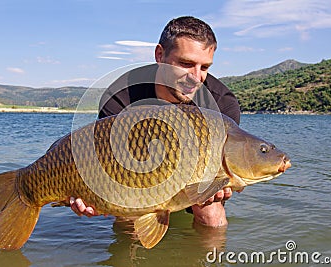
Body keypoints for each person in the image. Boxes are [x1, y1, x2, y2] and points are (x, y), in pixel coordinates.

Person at [70, 16, 241, 227]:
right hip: (137, 178)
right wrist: (90, 193)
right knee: (127, 213)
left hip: (194, 184)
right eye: (186, 64)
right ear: (160, 55)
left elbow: (231, 163)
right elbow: (105, 160)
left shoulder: (221, 103)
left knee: (211, 213)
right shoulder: (121, 95)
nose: (196, 77)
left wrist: (226, 182)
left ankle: (208, 260)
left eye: (204, 67)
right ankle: (126, 257)